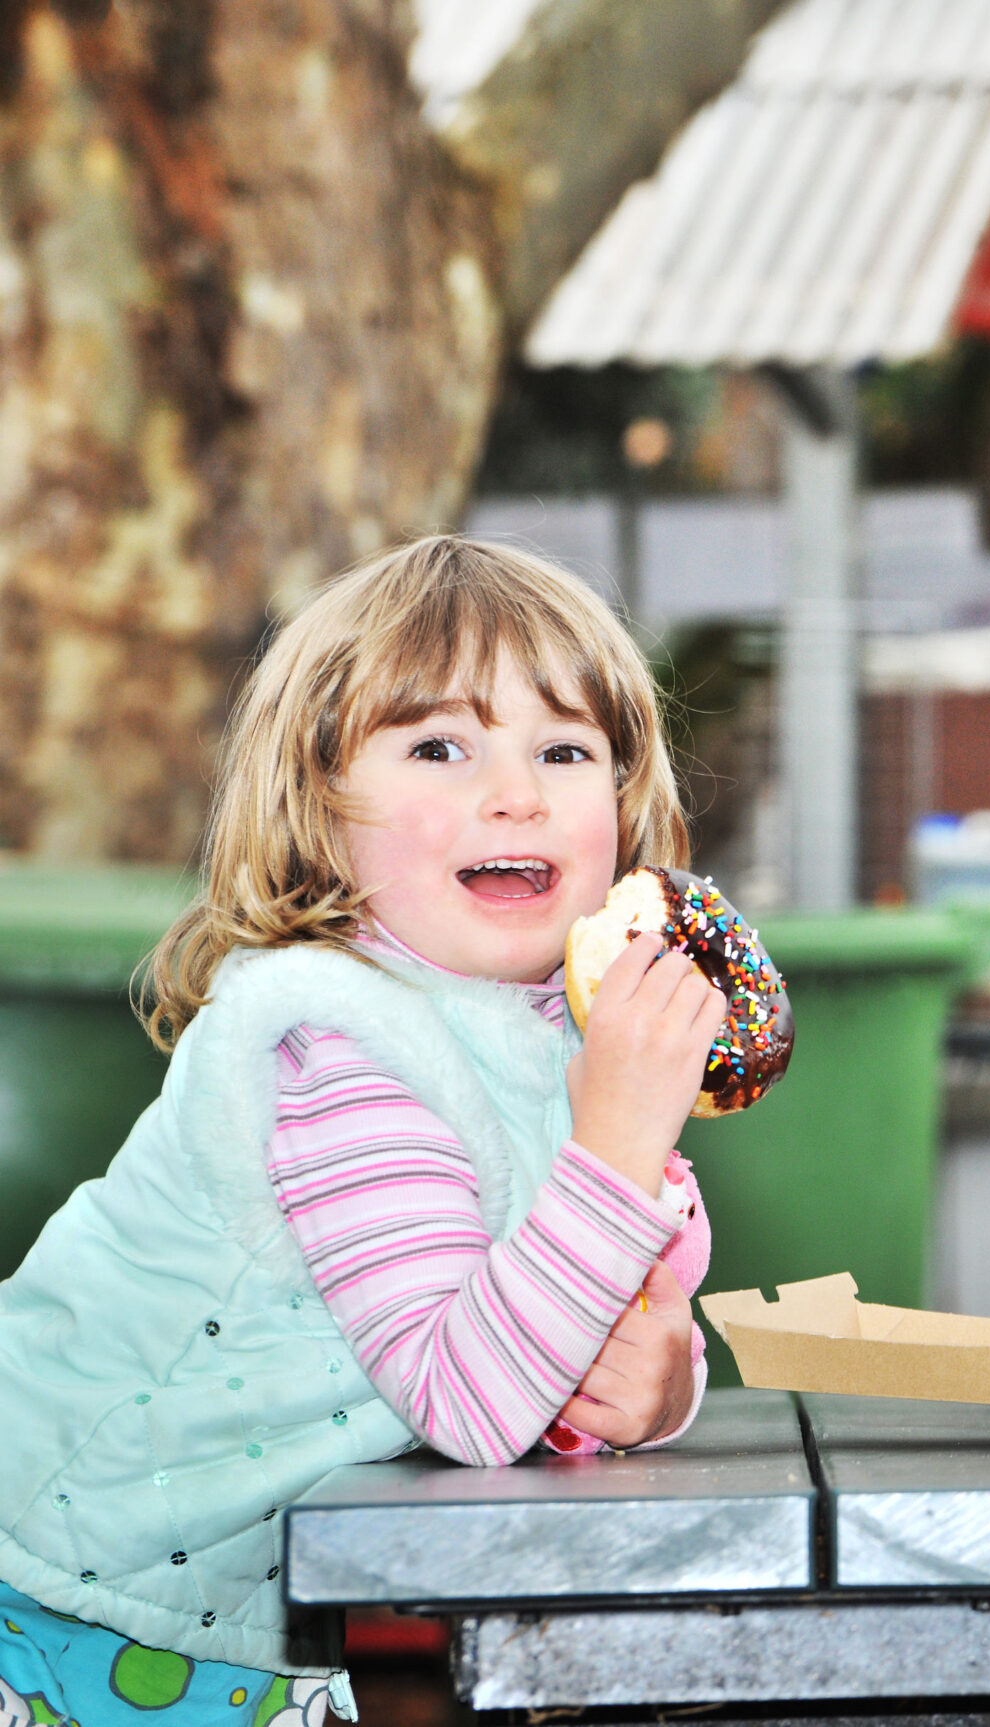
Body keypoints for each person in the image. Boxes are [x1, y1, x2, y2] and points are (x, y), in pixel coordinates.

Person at [0, 538, 728, 1725]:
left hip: (222, 1597)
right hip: (57, 1578)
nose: (517, 792)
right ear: (320, 807)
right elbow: (473, 1401)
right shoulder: (334, 1043)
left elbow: (594, 1313)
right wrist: (617, 1138)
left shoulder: (562, 1034)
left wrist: (663, 1386)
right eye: (439, 746)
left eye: (564, 749)